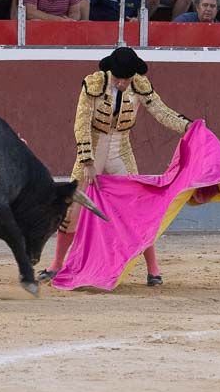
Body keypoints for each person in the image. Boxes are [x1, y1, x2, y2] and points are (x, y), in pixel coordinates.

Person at [39, 46, 191, 286]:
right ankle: (57, 264)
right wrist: (87, 160)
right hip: (94, 147)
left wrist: (187, 127)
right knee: (72, 207)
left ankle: (153, 269)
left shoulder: (139, 85)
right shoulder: (94, 84)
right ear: (110, 72)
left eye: (126, 79)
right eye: (118, 78)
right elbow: (81, 124)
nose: (122, 83)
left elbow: (161, 112)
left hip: (121, 149)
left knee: (138, 210)